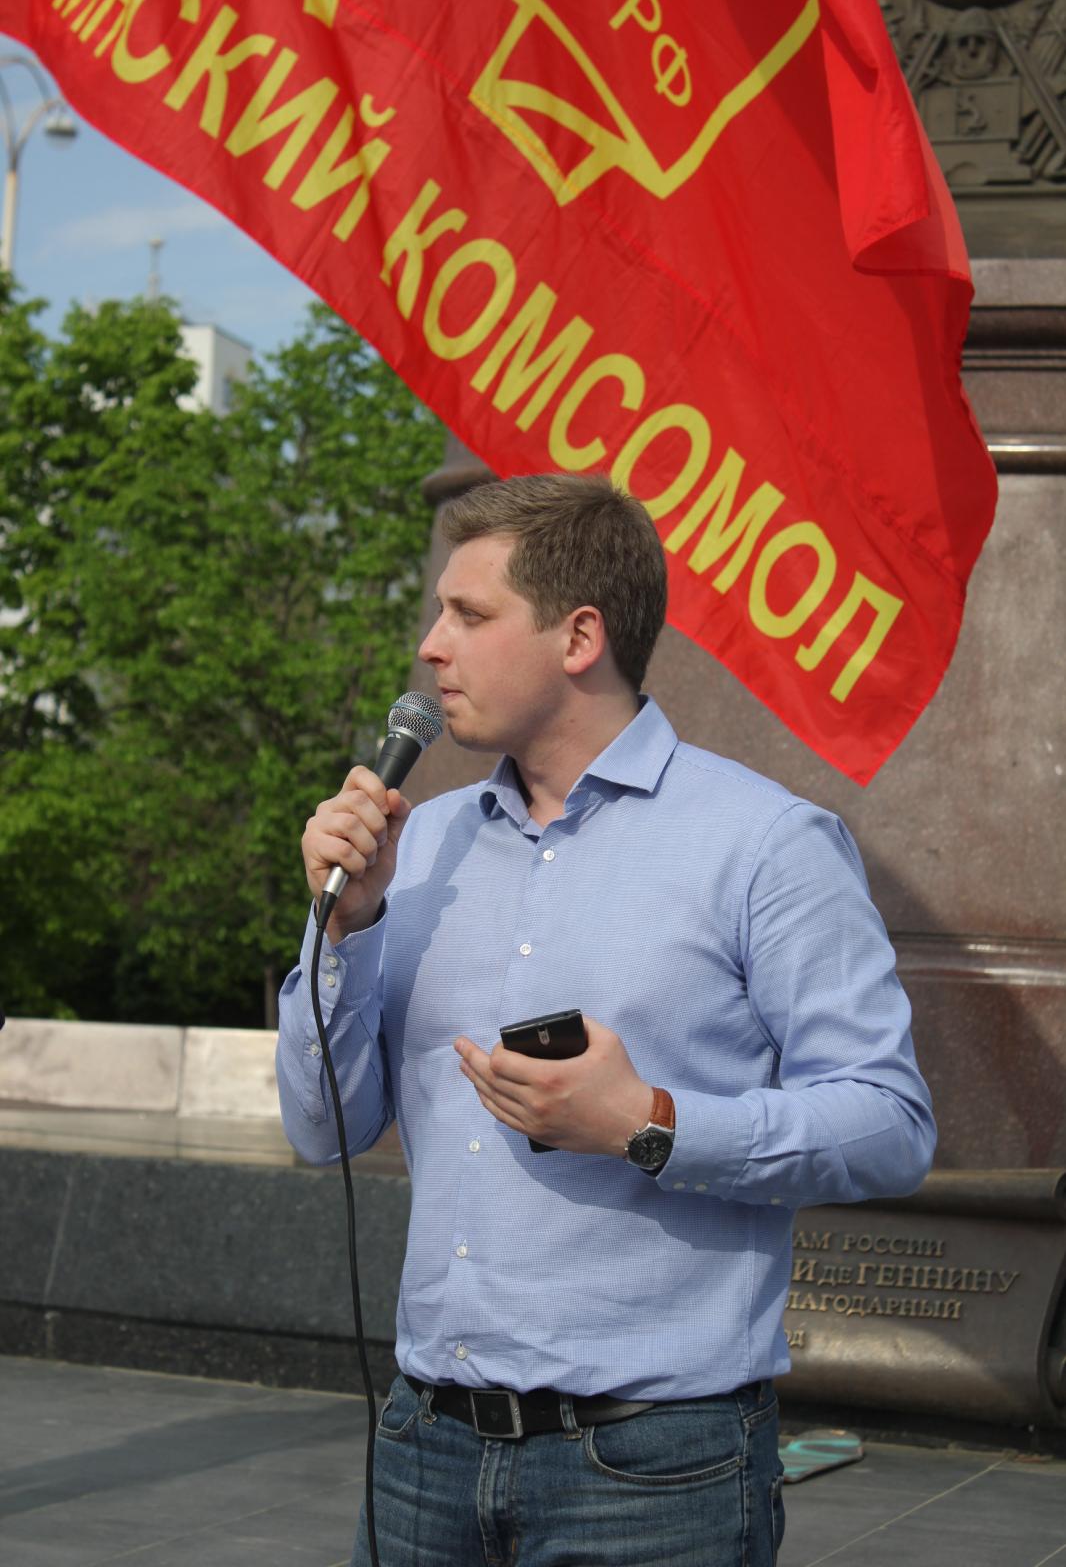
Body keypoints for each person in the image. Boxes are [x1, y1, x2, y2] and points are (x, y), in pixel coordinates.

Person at [276, 471, 936, 1567]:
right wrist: (344, 928)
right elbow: (320, 1130)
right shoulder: (417, 842)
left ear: (579, 637)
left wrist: (649, 1123)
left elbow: (889, 1124)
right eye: (439, 613)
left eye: (469, 614)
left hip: (654, 1473)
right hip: (421, 1449)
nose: (431, 647)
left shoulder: (766, 844)